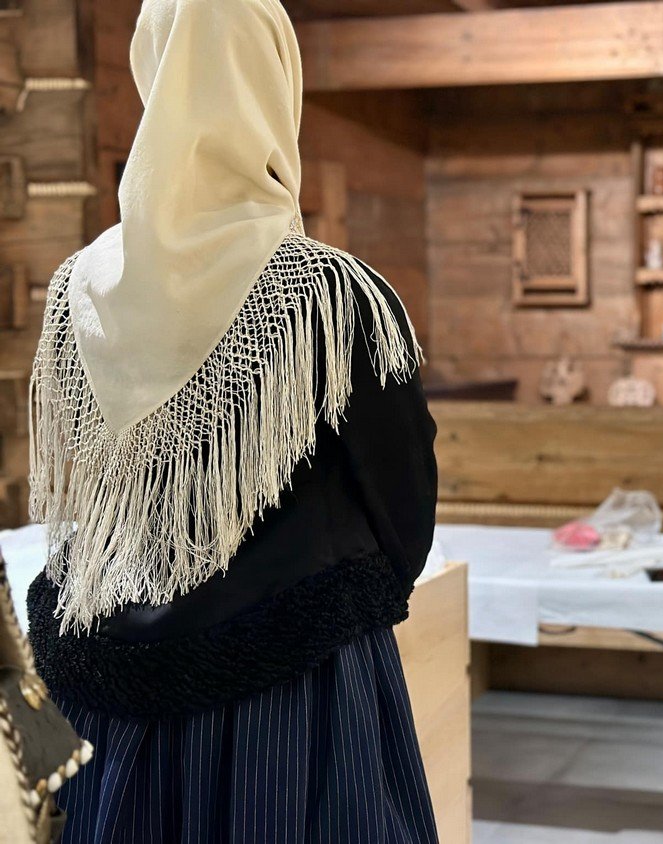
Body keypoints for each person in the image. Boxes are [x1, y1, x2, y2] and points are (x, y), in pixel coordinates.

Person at [24, 1, 440, 840]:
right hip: (292, 697)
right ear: (271, 76)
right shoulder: (329, 294)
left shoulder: (78, 289)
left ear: (155, 70)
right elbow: (404, 502)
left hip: (107, 687)